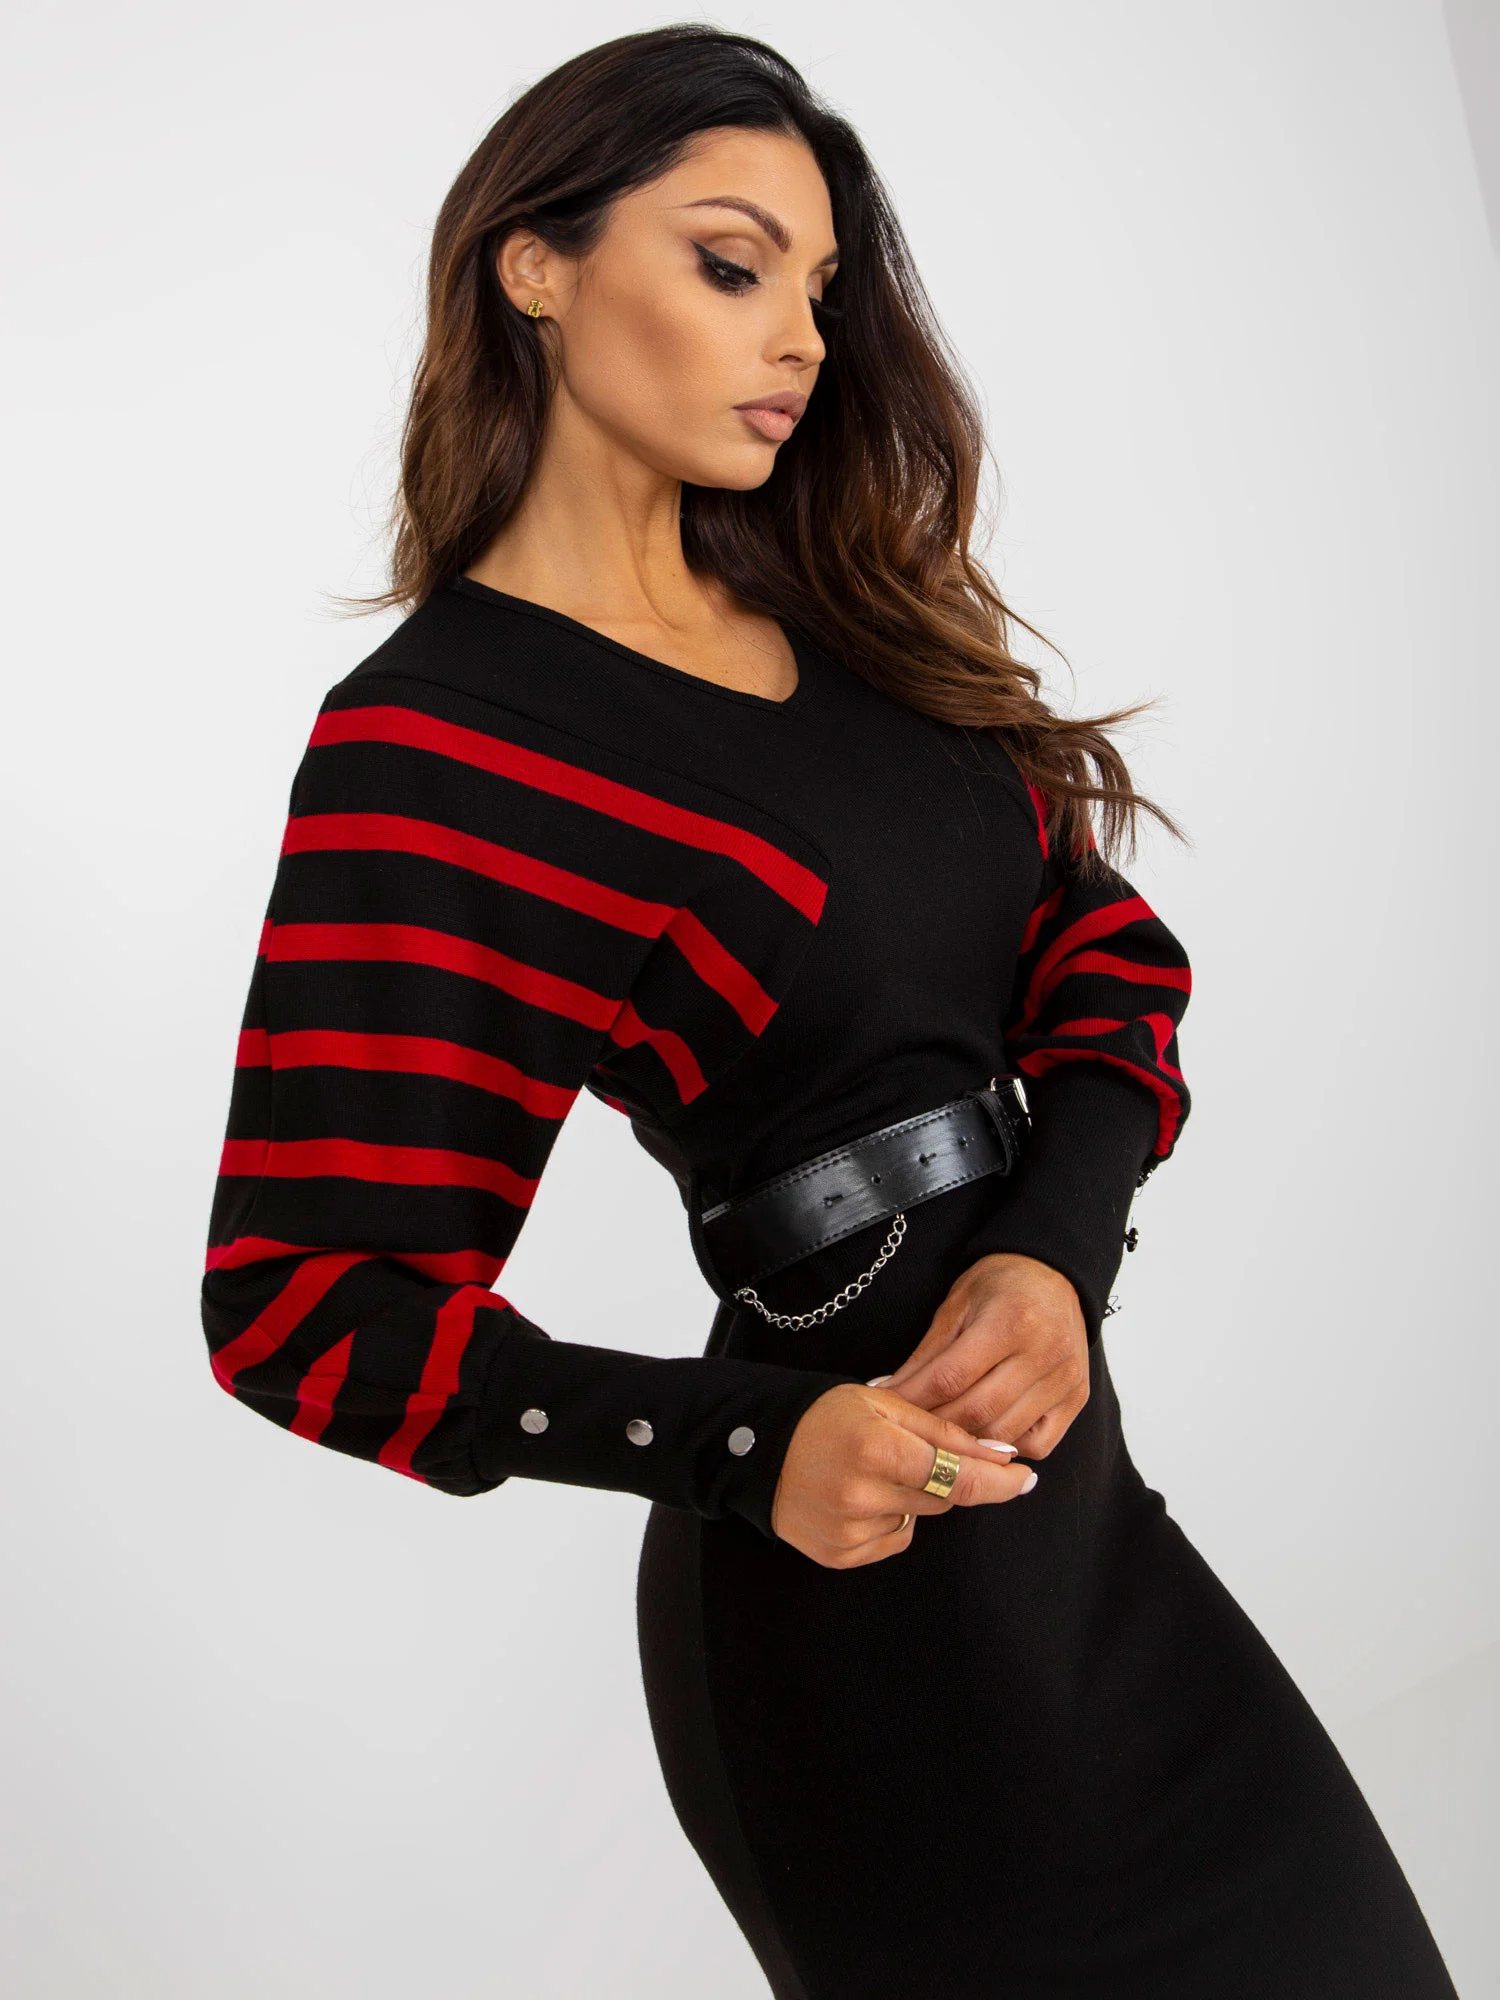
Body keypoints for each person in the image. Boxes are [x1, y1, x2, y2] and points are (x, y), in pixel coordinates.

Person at [200, 25, 1459, 1998]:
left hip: (1091, 1550)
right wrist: (742, 1444)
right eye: (730, 264)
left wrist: (1055, 1249)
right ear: (535, 264)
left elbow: (1104, 958)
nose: (796, 336)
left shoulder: (843, 618)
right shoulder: (442, 748)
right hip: (856, 1620)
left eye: (818, 285)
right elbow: (301, 1303)